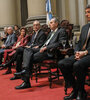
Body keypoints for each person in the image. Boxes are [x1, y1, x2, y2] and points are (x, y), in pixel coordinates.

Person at [14, 17, 68, 89]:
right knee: (27, 50)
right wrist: (41, 47)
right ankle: (25, 71)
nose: (49, 24)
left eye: (51, 22)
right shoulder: (51, 32)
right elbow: (45, 43)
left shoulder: (61, 31)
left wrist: (46, 47)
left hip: (50, 52)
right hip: (42, 49)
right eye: (50, 22)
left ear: (57, 23)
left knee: (28, 57)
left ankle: (26, 79)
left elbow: (60, 43)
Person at [58, 5, 90, 100]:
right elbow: (79, 42)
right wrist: (76, 52)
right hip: (81, 54)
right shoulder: (85, 27)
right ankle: (75, 89)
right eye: (86, 12)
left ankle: (81, 92)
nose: (86, 14)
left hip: (88, 54)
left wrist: (85, 53)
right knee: (62, 63)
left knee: (77, 65)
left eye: (88, 12)